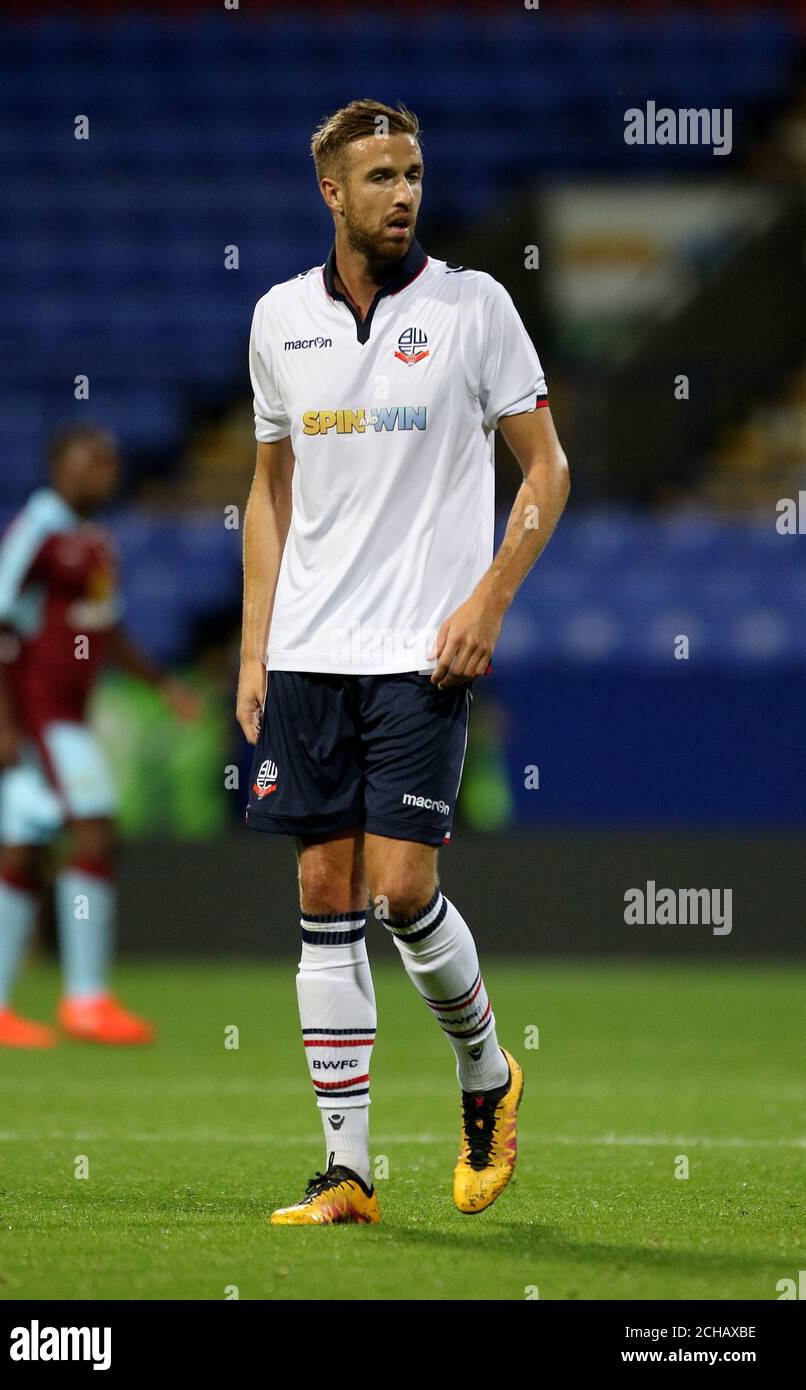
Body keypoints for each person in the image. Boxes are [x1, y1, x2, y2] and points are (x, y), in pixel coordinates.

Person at [237, 100, 570, 1224]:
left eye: (414, 172)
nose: (403, 192)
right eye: (379, 175)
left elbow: (548, 471)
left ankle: (486, 1069)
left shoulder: (475, 309)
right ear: (331, 190)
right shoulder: (279, 318)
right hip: (309, 652)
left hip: (423, 647)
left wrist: (489, 597)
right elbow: (272, 491)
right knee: (322, 895)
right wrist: (256, 644)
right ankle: (350, 1171)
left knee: (401, 887)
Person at [0, 425, 199, 1047]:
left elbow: (108, 627)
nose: (105, 472)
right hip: (42, 717)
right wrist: (1, 722)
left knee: (23, 850)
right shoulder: (36, 530)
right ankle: (86, 999)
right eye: (90, 461)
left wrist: (162, 685)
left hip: (68, 714)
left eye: (110, 461)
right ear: (58, 468)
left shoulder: (94, 539)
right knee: (94, 830)